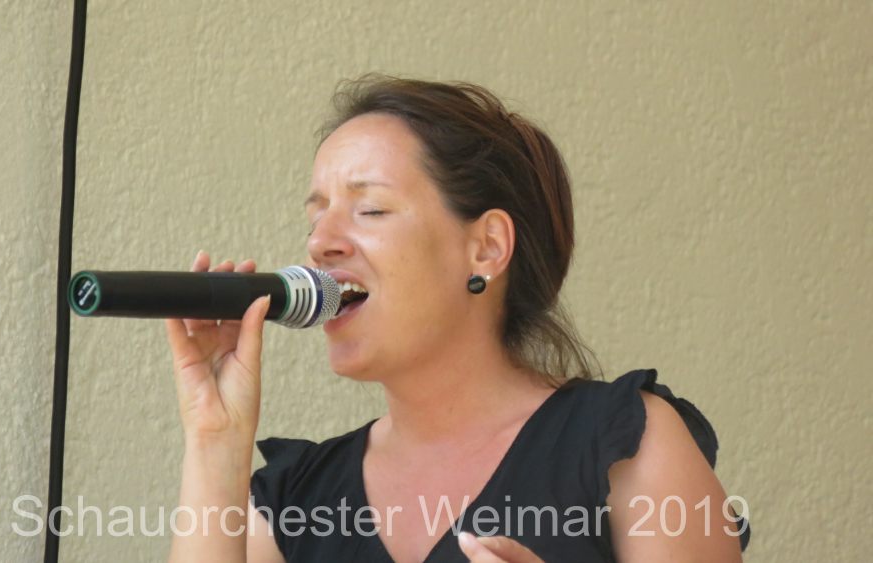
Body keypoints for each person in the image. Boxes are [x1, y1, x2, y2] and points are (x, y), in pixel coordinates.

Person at [165, 76, 750, 562]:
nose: (320, 244)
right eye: (315, 218)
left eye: (370, 209)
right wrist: (216, 440)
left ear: (487, 248)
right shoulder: (296, 501)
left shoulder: (625, 443)